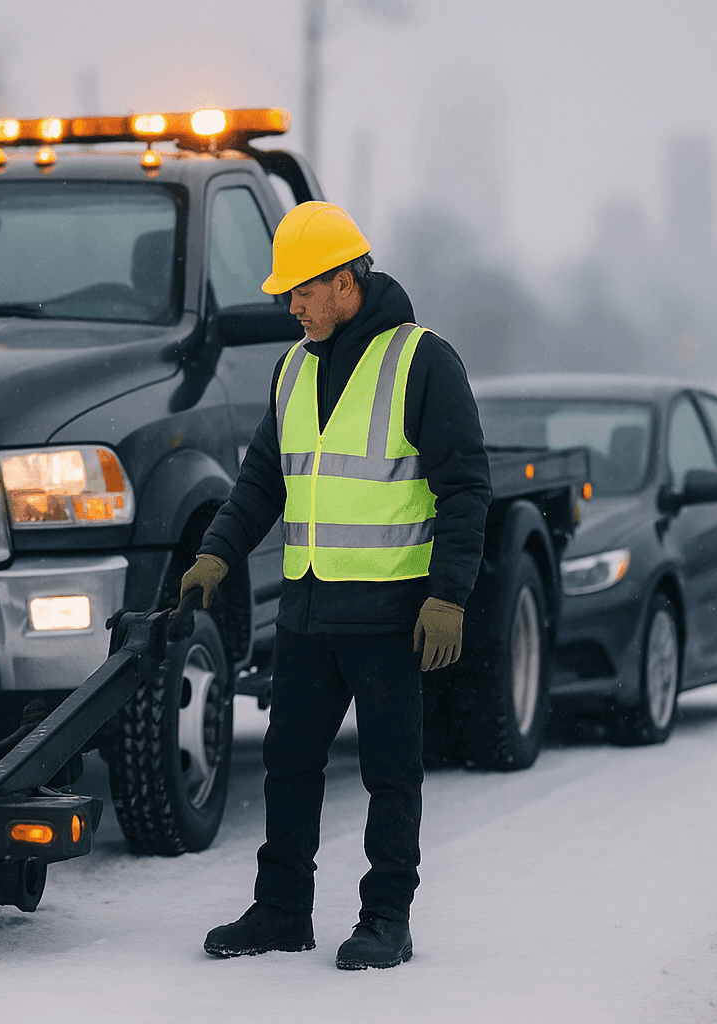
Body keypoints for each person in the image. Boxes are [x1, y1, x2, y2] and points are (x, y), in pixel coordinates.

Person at [183, 201, 491, 970]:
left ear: (346, 282)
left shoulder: (422, 360)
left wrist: (448, 595)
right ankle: (283, 908)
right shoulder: (294, 367)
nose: (292, 306)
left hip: (390, 613)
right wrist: (218, 552)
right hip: (309, 611)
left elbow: (465, 489)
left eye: (302, 291)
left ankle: (387, 916)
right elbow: (262, 482)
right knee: (289, 765)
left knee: (391, 773)